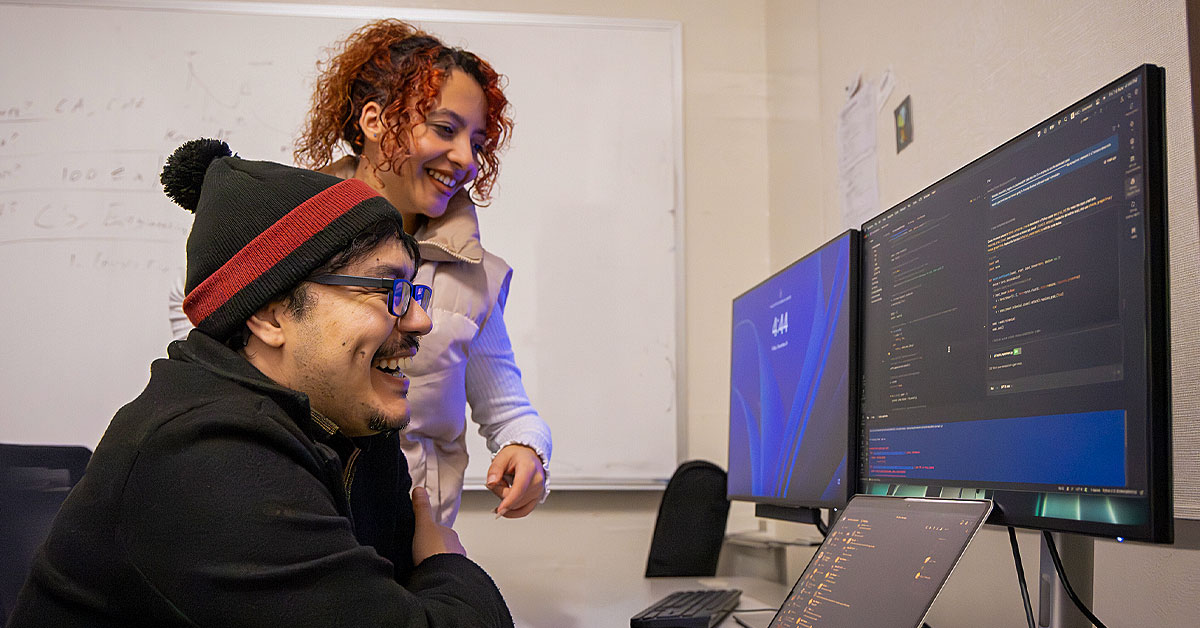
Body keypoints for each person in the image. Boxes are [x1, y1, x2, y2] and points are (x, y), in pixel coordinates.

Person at [9, 139, 513, 627]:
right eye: (388, 289)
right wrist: (447, 565)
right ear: (271, 316)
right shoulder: (205, 454)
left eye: (414, 289)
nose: (422, 321)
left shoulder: (341, 422)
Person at [170, 19, 552, 526]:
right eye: (444, 129)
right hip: (289, 520)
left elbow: (509, 409)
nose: (466, 159)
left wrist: (527, 450)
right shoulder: (283, 237)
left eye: (478, 143)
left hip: (412, 545)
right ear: (375, 122)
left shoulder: (474, 279)